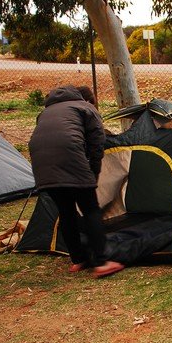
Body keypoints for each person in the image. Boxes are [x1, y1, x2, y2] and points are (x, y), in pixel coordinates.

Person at [28, 85, 124, 278]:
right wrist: (93, 175)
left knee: (66, 211)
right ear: (88, 100)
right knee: (90, 209)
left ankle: (77, 260)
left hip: (41, 165)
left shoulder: (46, 112)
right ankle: (102, 262)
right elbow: (97, 143)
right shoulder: (86, 108)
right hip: (70, 158)